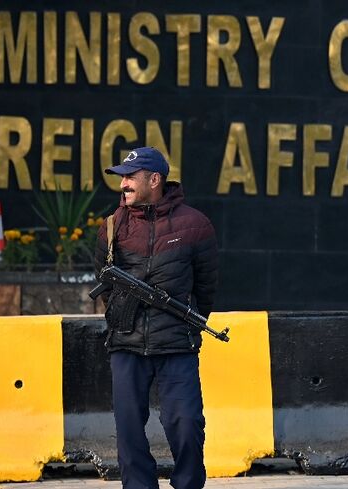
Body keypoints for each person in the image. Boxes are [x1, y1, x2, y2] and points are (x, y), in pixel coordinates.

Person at [94, 146, 218, 489]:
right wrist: (125, 314)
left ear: (155, 179)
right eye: (121, 178)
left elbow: (206, 288)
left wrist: (183, 323)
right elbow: (104, 283)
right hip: (126, 343)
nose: (123, 185)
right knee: (129, 427)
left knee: (186, 422)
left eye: (131, 177)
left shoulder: (195, 225)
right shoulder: (111, 226)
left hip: (177, 344)